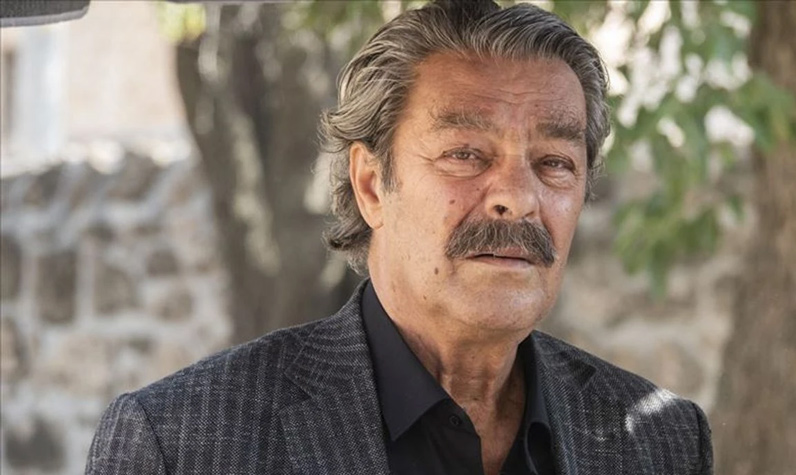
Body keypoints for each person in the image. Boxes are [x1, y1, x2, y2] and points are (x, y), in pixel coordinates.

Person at [85, 1, 713, 474]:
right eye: (465, 154)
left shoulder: (662, 442)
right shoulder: (181, 444)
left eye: (554, 163)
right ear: (371, 185)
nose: (519, 197)